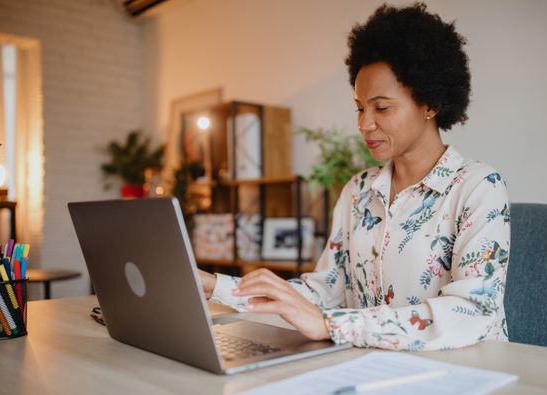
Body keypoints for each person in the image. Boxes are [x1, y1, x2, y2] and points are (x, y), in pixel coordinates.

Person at [200, 2, 510, 351]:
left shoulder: (478, 187)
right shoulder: (359, 191)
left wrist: (331, 325)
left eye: (382, 108)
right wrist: (216, 287)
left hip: (468, 373)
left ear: (430, 104)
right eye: (360, 108)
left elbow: (472, 311)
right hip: (376, 369)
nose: (364, 124)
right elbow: (323, 294)